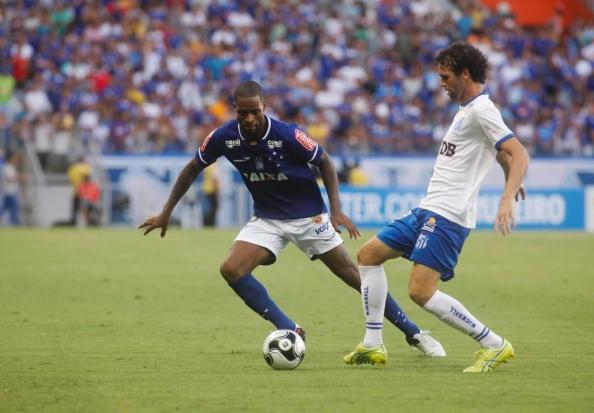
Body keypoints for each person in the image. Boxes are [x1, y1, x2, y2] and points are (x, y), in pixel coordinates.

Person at [138, 80, 444, 356]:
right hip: (268, 219)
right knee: (231, 269)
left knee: (356, 277)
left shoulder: (288, 134)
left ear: (264, 107)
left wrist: (335, 209)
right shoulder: (224, 137)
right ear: (235, 110)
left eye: (254, 112)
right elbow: (193, 166)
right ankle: (289, 327)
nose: (249, 119)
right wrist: (166, 212)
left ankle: (413, 332)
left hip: (309, 218)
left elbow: (324, 161)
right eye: (242, 113)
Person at [344, 42, 530, 372]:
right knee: (368, 256)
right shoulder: (468, 111)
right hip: (428, 209)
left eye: (446, 76)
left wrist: (506, 197)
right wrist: (509, 175)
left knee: (420, 291)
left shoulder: (483, 110)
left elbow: (519, 153)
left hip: (448, 216)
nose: (441, 83)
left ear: (466, 74)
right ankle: (373, 344)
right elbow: (502, 154)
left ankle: (494, 344)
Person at [0, 152, 21, 226]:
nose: (16, 160)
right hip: (8, 192)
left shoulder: (11, 167)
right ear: (10, 158)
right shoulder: (5, 167)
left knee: (5, 210)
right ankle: (17, 225)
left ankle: (16, 224)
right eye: (14, 158)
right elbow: (8, 178)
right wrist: (18, 178)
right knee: (13, 209)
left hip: (12, 192)